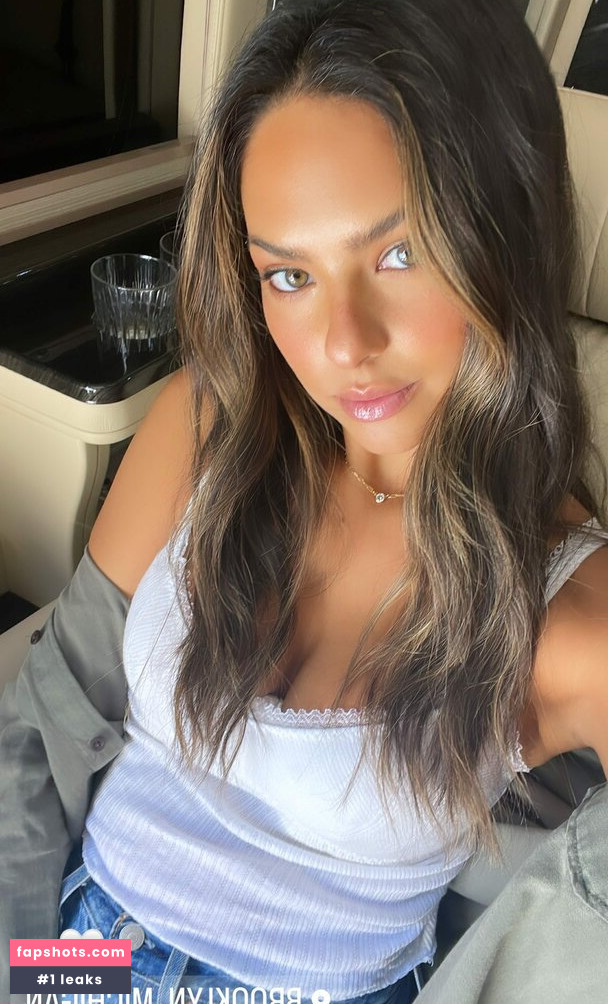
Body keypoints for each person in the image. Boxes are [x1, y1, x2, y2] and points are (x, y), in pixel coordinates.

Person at [1, 0, 608, 1002]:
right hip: (81, 953)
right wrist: (20, 968)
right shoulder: (206, 425)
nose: (342, 344)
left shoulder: (566, 611)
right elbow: (46, 719)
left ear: (506, 233)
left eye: (399, 254)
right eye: (288, 274)